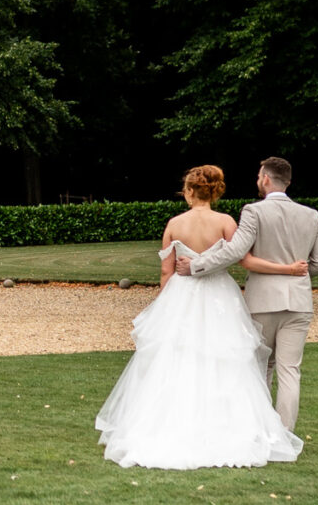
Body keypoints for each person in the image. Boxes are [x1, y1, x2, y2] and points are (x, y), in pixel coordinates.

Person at [92, 164, 306, 469]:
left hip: (182, 294)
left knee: (175, 360)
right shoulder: (226, 222)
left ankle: (170, 425)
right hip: (220, 295)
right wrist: (288, 269)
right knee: (225, 360)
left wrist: (165, 310)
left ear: (190, 190)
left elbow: (166, 273)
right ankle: (229, 427)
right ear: (216, 190)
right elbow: (242, 260)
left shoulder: (174, 224)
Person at [182, 156, 318, 430]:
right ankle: (284, 435)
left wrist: (196, 265)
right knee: (289, 371)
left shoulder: (253, 211)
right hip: (299, 303)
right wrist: (293, 273)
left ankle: (260, 432)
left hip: (263, 301)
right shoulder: (311, 215)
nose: (257, 181)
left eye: (258, 176)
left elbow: (236, 251)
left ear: (265, 179)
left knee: (261, 367)